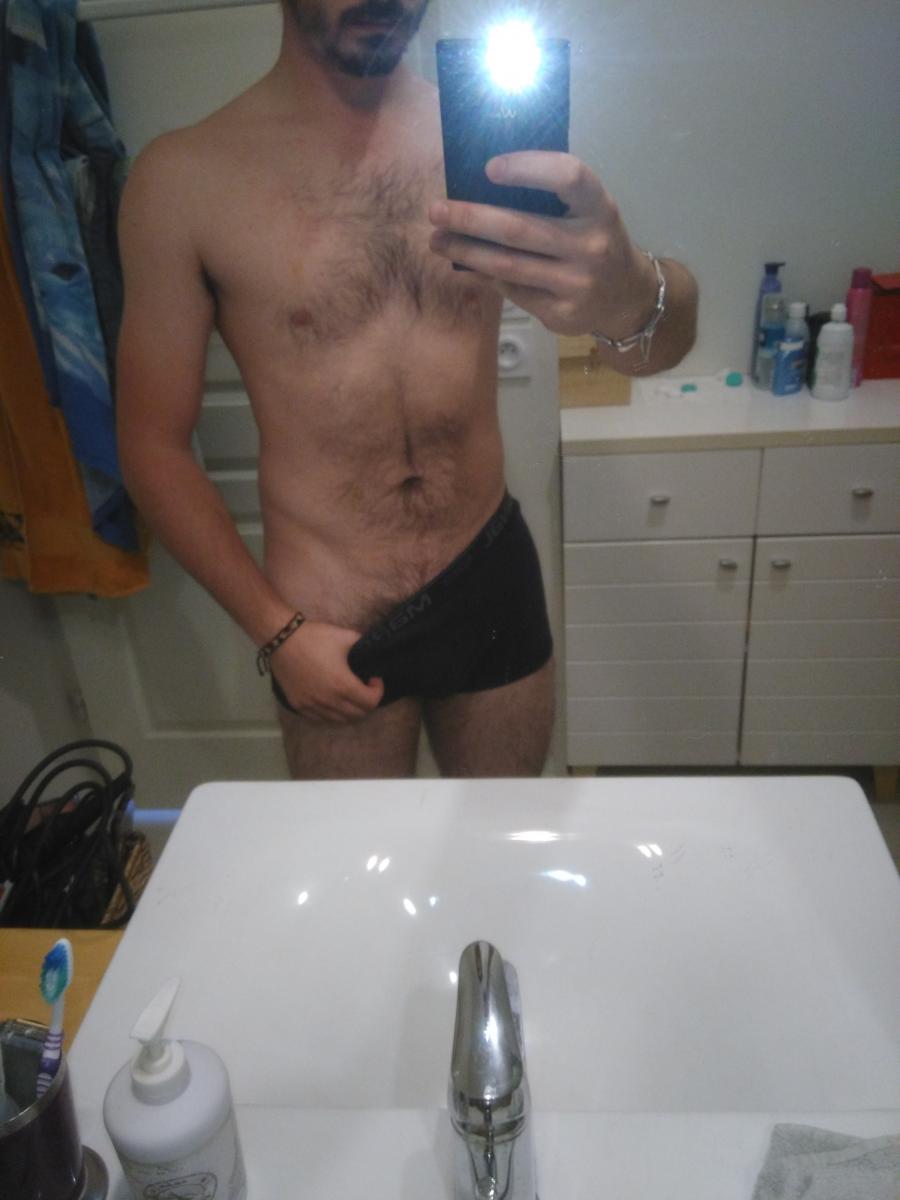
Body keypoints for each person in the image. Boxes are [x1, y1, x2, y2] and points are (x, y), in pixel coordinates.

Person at [116, 0, 698, 780]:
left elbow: (661, 349)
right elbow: (151, 446)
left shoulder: (492, 143)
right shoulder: (183, 179)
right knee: (359, 858)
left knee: (503, 841)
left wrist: (630, 292)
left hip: (488, 570)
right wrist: (275, 632)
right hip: (327, 611)